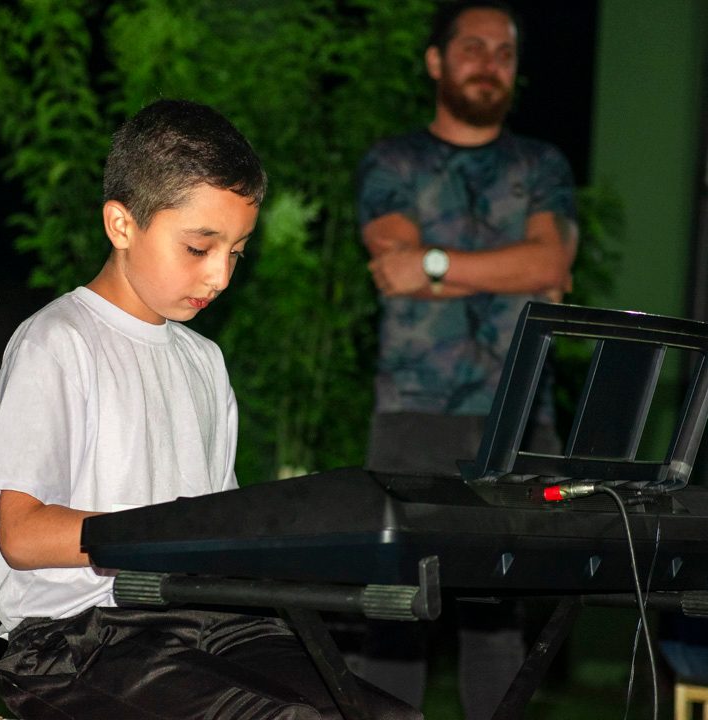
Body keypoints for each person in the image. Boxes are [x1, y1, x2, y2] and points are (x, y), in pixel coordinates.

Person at [0, 99, 418, 720]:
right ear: (121, 224)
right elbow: (20, 534)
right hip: (80, 640)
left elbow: (220, 527)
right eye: (199, 247)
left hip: (212, 620)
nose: (220, 277)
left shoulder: (204, 360)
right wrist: (170, 535)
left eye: (236, 253)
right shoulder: (60, 340)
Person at [355, 2, 578, 718]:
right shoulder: (393, 161)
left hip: (518, 418)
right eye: (473, 48)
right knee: (394, 609)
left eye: (505, 52)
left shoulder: (542, 164)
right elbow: (394, 266)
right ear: (436, 61)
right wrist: (514, 271)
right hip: (414, 416)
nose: (490, 63)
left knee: (498, 617)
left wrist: (440, 263)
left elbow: (552, 264)